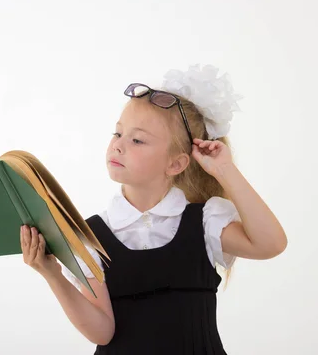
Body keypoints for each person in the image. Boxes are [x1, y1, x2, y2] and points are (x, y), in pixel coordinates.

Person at [20, 63, 288, 354]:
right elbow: (102, 332)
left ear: (175, 163)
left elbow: (270, 244)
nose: (119, 146)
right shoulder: (90, 235)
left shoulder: (205, 223)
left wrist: (225, 170)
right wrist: (52, 273)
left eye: (137, 140)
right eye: (117, 134)